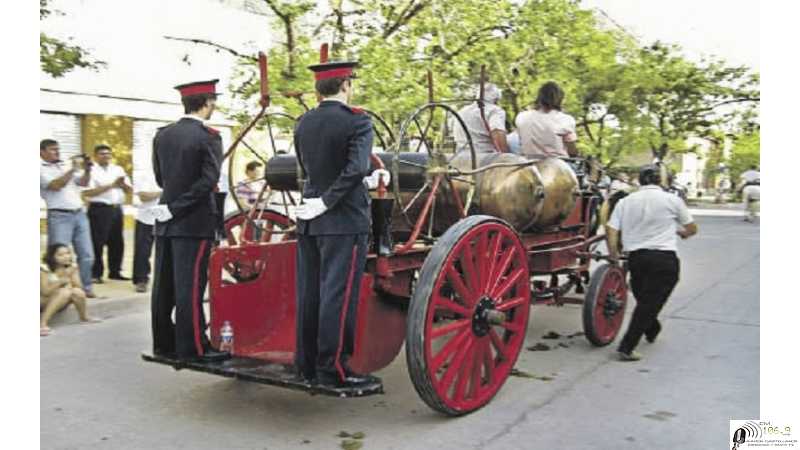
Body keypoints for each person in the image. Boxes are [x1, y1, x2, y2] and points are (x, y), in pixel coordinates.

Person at [293, 60, 389, 388]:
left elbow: (307, 168)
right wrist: (332, 199)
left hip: (309, 217)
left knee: (310, 293)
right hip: (343, 219)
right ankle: (333, 369)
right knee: (338, 295)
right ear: (346, 84)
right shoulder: (358, 122)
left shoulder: (303, 122)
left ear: (319, 89)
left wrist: (318, 200)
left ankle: (305, 364)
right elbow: (354, 169)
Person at [149, 79, 229, 362]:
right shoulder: (209, 136)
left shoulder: (163, 134)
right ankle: (194, 347)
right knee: (190, 287)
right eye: (213, 102)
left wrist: (170, 207)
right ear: (207, 103)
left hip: (165, 220)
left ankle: (163, 343)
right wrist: (179, 207)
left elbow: (161, 178)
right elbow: (209, 180)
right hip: (193, 222)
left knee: (163, 286)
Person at [606, 164, 698, 361]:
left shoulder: (625, 202)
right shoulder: (672, 200)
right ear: (661, 181)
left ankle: (652, 328)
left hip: (637, 259)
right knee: (649, 302)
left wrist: (613, 254)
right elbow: (692, 228)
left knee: (646, 300)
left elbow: (611, 229)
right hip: (664, 259)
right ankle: (627, 347)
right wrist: (682, 233)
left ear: (640, 181)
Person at [40, 139, 97, 298]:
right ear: (42, 152)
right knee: (57, 256)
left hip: (79, 213)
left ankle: (85, 288)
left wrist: (87, 170)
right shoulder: (39, 168)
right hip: (59, 215)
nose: (57, 152)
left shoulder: (65, 165)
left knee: (86, 254)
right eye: (52, 150)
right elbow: (56, 185)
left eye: (58, 149)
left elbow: (83, 183)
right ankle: (57, 290)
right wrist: (73, 169)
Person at [83, 144, 132, 283]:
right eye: (102, 154)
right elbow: (87, 192)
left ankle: (115, 271)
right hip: (99, 209)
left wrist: (122, 185)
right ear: (95, 156)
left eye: (108, 154)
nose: (106, 156)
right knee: (97, 242)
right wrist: (112, 185)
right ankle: (96, 273)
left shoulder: (118, 169)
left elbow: (128, 190)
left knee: (117, 242)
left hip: (116, 209)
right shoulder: (91, 171)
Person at [40, 244, 101, 336]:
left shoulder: (71, 267)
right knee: (64, 292)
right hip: (43, 300)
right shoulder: (44, 269)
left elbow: (79, 287)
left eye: (67, 253)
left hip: (59, 299)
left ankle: (84, 317)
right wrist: (60, 281)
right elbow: (45, 292)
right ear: (52, 257)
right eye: (60, 255)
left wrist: (71, 274)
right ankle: (42, 324)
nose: (65, 257)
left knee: (77, 292)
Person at [515, 81, 579, 158]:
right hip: (558, 162)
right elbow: (571, 150)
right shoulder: (566, 119)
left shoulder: (522, 117)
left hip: (527, 162)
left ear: (539, 98)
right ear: (560, 99)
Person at [453, 83, 509, 153]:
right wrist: (506, 154)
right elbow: (497, 132)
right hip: (483, 155)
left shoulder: (462, 111)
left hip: (461, 154)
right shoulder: (494, 110)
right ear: (496, 99)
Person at [132, 173, 161, 292]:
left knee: (164, 253)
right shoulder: (145, 175)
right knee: (142, 252)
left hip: (165, 218)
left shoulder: (172, 174)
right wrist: (164, 192)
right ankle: (141, 280)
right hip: (146, 219)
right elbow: (143, 196)